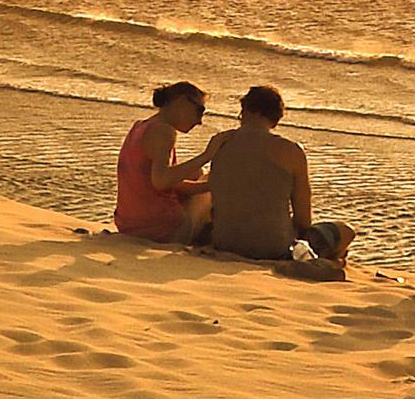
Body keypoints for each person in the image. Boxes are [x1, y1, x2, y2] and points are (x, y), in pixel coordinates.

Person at [201, 86, 350, 269]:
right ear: (276, 116)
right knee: (344, 231)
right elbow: (303, 219)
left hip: (225, 242)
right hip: (272, 248)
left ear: (245, 110)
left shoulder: (220, 143)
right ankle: (333, 261)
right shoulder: (291, 151)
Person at [114, 81, 216, 245]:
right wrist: (207, 155)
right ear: (182, 102)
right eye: (200, 111)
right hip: (162, 229)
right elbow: (161, 181)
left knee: (197, 174)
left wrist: (207, 186)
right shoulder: (163, 131)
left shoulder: (141, 126)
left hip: (128, 224)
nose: (200, 121)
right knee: (207, 175)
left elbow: (157, 181)